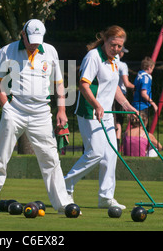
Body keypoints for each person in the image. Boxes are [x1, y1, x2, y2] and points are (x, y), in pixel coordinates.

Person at [0, 19, 74, 214]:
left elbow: (59, 83)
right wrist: (6, 107)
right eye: (30, 39)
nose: (34, 44)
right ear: (22, 34)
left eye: (37, 40)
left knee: (50, 158)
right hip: (14, 110)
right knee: (1, 157)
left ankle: (62, 204)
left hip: (41, 112)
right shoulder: (7, 51)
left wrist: (61, 110)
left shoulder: (50, 51)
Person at [64, 25, 138, 210]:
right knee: (96, 152)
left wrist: (127, 106)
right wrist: (97, 105)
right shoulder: (93, 57)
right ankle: (65, 185)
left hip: (106, 114)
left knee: (110, 154)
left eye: (120, 46)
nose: (116, 49)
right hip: (90, 112)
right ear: (105, 40)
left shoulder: (115, 61)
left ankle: (106, 197)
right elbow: (83, 85)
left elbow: (113, 88)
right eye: (113, 45)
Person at [113, 47, 134, 149]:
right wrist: (136, 87)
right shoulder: (122, 65)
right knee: (118, 120)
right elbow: (126, 83)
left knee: (110, 118)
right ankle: (116, 144)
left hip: (109, 93)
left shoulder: (109, 63)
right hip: (120, 93)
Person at [131, 57, 158, 128]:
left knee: (136, 127)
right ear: (149, 68)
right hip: (142, 106)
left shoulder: (139, 75)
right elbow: (144, 93)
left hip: (136, 104)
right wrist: (153, 103)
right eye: (152, 68)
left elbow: (134, 90)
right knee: (143, 128)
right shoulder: (146, 78)